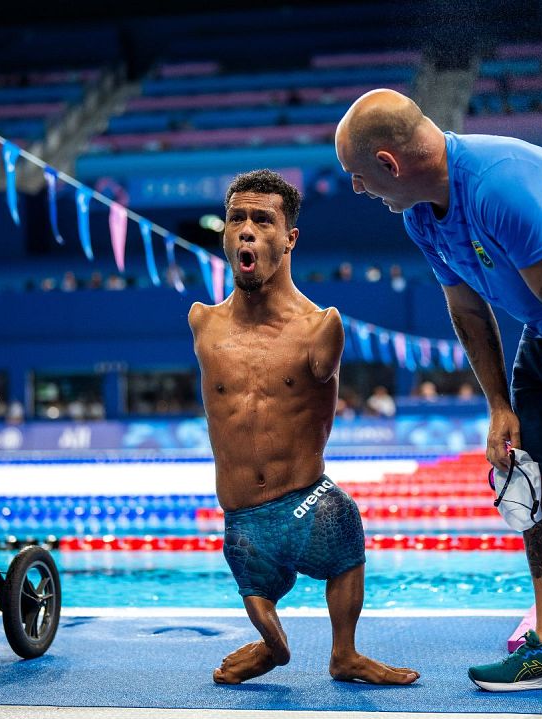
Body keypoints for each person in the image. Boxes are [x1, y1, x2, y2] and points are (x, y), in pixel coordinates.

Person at [336, 89, 542, 718]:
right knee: (536, 473)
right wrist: (498, 404)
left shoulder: (500, 186)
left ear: (388, 163)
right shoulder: (420, 216)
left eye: (357, 174)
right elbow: (467, 309)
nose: (357, 188)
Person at [188, 169, 418, 686]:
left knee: (343, 516)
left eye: (262, 220)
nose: (247, 230)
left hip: (307, 500)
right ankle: (273, 646)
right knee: (261, 603)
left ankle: (345, 654)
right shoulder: (203, 322)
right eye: (236, 219)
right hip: (242, 519)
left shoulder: (320, 328)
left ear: (289, 239)